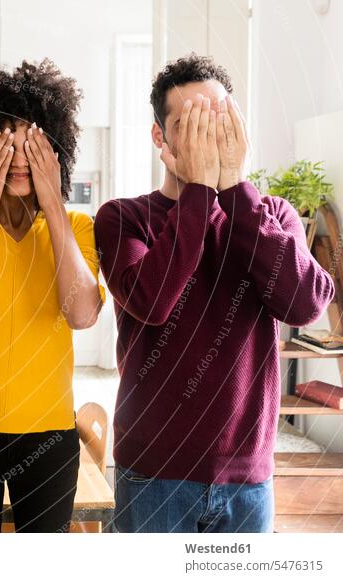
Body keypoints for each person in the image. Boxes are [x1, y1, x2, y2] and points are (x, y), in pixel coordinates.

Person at [94, 53, 335, 533]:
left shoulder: (270, 213)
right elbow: (153, 300)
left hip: (248, 479)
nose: (209, 137)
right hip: (153, 475)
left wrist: (237, 191)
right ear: (159, 138)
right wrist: (202, 192)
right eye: (191, 124)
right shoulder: (123, 218)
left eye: (219, 121)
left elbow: (304, 304)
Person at [0, 59, 104, 533]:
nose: (21, 159)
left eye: (33, 144)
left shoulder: (77, 229)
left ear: (57, 152)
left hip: (48, 433)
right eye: (6, 144)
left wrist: (53, 203)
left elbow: (82, 314)